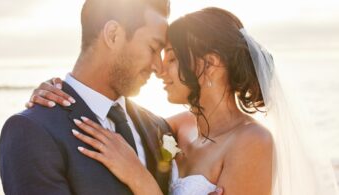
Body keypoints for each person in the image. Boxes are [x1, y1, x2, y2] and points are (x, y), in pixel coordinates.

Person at [28, 7, 277, 195]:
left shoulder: (253, 142)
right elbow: (111, 115)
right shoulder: (173, 128)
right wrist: (61, 90)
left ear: (209, 65)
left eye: (171, 58)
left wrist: (141, 179)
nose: (159, 69)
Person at [0, 0, 186, 194]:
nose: (159, 67)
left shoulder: (158, 127)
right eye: (153, 48)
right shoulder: (33, 130)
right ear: (113, 35)